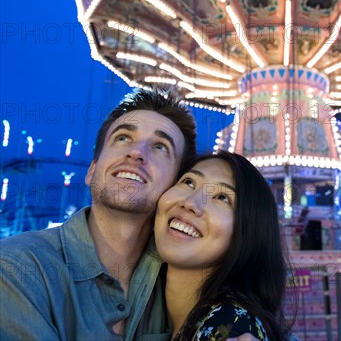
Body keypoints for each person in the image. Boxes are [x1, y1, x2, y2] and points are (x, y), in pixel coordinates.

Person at [0, 88, 196, 340]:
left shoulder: (181, 284)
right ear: (92, 171)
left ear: (175, 188)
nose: (136, 153)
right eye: (123, 138)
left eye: (160, 147)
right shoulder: (17, 268)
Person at [154, 151, 293, 340]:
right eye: (188, 182)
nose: (190, 203)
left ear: (248, 233)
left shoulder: (230, 324)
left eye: (222, 197)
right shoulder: (146, 308)